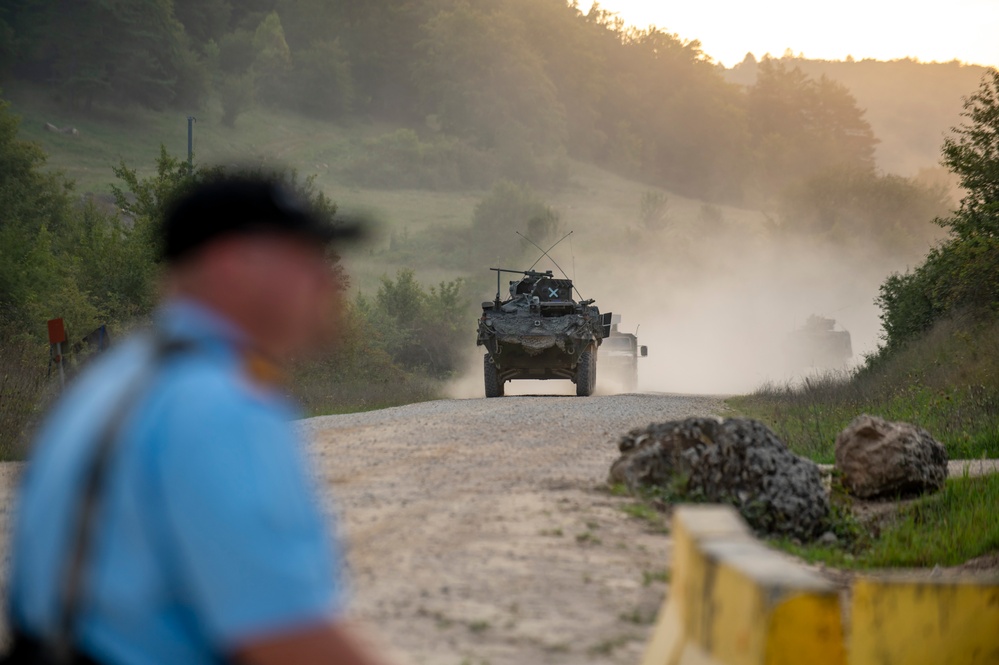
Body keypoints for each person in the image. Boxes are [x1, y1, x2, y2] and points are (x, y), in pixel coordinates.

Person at [6, 175, 391, 664]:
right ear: (233, 266)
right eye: (304, 256)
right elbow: (292, 642)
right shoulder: (221, 403)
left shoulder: (115, 376)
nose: (326, 277)